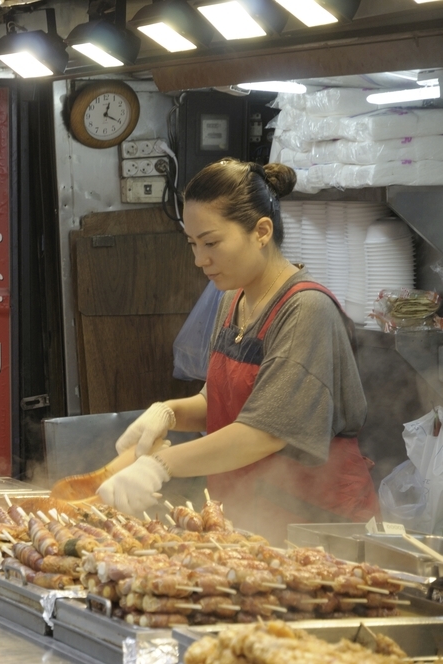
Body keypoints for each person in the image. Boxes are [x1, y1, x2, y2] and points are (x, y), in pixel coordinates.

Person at [96, 159, 378, 543]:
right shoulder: (234, 299)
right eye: (193, 244)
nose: (200, 260)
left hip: (319, 525)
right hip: (250, 515)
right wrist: (169, 412)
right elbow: (219, 401)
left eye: (211, 243)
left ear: (261, 231)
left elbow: (265, 432)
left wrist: (160, 465)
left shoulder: (306, 309)